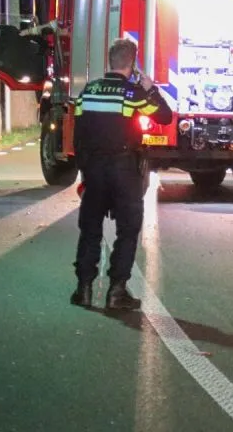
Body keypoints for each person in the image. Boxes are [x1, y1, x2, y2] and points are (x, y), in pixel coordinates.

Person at [70, 38, 173, 311]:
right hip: (124, 169)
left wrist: (84, 169)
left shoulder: (88, 91)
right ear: (133, 63)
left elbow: (78, 132)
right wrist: (151, 90)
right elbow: (164, 117)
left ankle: (83, 289)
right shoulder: (133, 94)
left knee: (89, 229)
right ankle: (117, 291)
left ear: (110, 60)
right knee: (127, 229)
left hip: (93, 169)